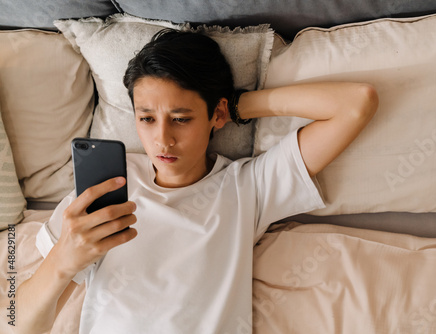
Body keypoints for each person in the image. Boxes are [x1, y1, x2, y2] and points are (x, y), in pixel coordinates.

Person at [17, 29, 378, 334]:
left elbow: (356, 103)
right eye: (146, 119)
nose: (162, 140)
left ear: (215, 115)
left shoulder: (248, 187)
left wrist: (239, 107)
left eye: (181, 119)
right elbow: (22, 325)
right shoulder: (107, 187)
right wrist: (63, 261)